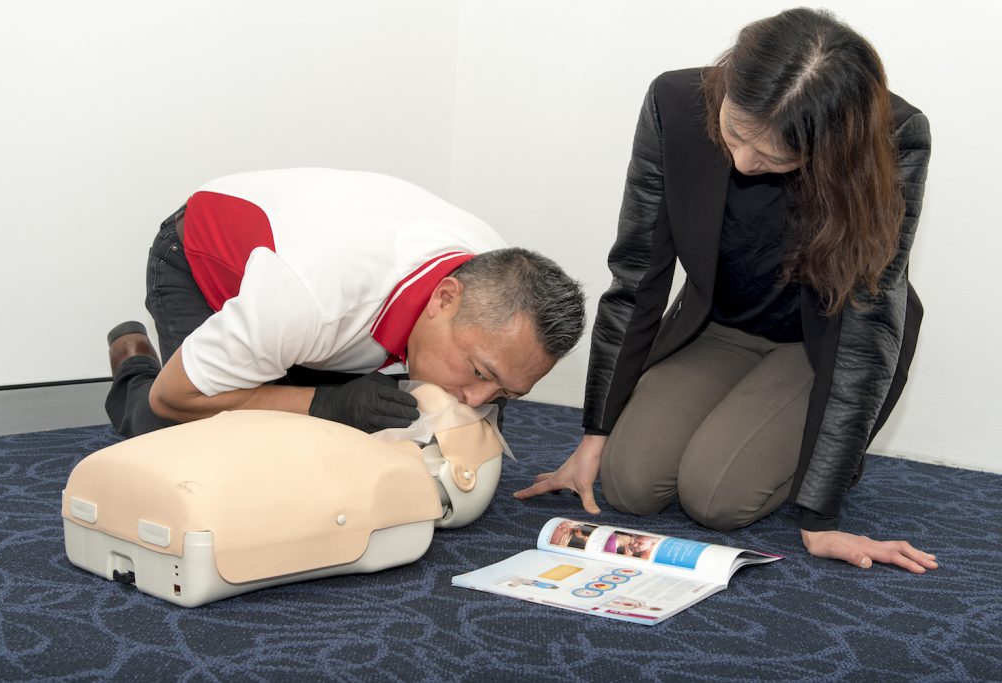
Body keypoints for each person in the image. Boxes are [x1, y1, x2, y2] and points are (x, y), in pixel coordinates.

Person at [516, 8, 937, 574]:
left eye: (775, 157)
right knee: (629, 483)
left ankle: (799, 447)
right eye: (736, 133)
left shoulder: (894, 136)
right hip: (720, 325)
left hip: (822, 342)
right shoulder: (674, 101)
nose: (742, 161)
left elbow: (867, 322)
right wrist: (594, 435)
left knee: (717, 499)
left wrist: (821, 516)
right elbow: (639, 271)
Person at [106, 167, 585, 438]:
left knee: (349, 435)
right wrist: (325, 402)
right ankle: (133, 361)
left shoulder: (491, 273)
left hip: (319, 315)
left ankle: (285, 372)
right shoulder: (311, 296)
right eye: (480, 374)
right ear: (444, 297)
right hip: (200, 264)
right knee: (186, 440)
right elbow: (176, 398)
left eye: (505, 393)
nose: (478, 401)